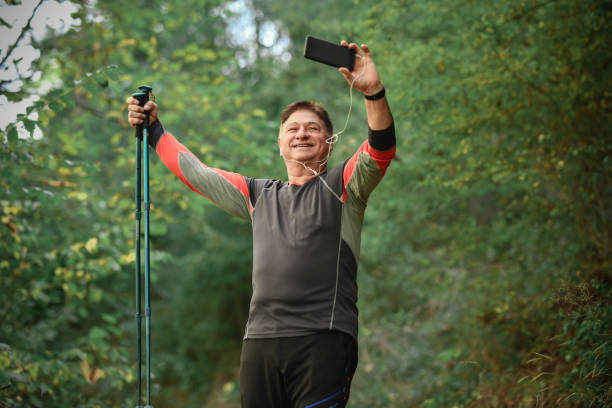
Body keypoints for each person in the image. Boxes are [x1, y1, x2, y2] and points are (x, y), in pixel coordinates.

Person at [127, 41, 395, 408]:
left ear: (329, 142)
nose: (302, 134)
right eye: (293, 129)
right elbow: (196, 173)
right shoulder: (257, 194)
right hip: (260, 343)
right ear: (280, 144)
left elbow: (381, 148)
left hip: (323, 338)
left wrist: (373, 92)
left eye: (313, 128)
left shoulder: (344, 186)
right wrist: (154, 129)